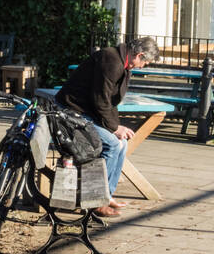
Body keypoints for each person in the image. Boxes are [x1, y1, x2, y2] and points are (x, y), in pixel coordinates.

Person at [55, 36, 159, 217]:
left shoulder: (122, 62)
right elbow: (100, 100)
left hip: (85, 112)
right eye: (145, 63)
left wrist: (116, 127)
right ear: (139, 55)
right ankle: (96, 202)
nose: (143, 67)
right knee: (110, 144)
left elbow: (109, 103)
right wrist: (115, 128)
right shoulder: (111, 60)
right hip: (71, 113)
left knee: (122, 143)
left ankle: (107, 195)